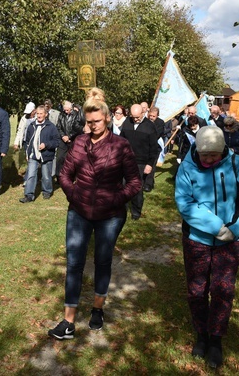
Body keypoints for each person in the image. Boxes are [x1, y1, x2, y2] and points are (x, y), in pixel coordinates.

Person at [48, 95, 142, 340]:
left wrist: (114, 200)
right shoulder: (79, 142)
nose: (92, 126)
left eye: (97, 121)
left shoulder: (121, 146)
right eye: (89, 122)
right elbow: (64, 174)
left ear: (108, 119)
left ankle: (97, 309)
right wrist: (74, 195)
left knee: (102, 261)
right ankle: (68, 322)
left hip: (110, 215)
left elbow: (134, 183)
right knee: (74, 263)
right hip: (79, 212)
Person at [175, 126, 239, 369]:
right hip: (197, 239)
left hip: (231, 239)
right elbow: (185, 203)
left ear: (223, 150)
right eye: (205, 155)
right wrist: (215, 227)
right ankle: (201, 334)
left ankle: (216, 339)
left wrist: (236, 227)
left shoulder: (236, 164)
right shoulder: (186, 168)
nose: (210, 159)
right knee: (197, 290)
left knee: (223, 289)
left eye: (215, 154)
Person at [120, 104, 160, 219]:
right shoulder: (127, 122)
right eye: (133, 117)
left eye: (137, 117)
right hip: (126, 160)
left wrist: (149, 164)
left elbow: (154, 148)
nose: (135, 119)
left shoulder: (149, 126)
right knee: (123, 185)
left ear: (143, 113)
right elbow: (121, 140)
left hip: (142, 162)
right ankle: (122, 208)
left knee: (136, 187)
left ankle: (136, 211)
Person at [20, 106, 60, 202]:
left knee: (46, 176)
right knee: (31, 175)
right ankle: (29, 195)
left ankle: (47, 191)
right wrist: (27, 153)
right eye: (37, 113)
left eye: (41, 114)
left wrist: (46, 145)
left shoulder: (51, 127)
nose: (39, 116)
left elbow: (57, 142)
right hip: (33, 155)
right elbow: (27, 141)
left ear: (45, 114)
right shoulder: (31, 126)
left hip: (46, 155)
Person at [55, 100, 85, 177]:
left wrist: (70, 136)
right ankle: (59, 176)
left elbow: (77, 128)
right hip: (63, 139)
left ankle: (72, 176)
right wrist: (63, 136)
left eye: (67, 110)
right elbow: (58, 127)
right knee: (60, 158)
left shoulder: (76, 115)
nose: (66, 111)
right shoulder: (61, 115)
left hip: (73, 139)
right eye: (64, 110)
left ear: (71, 108)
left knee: (73, 159)